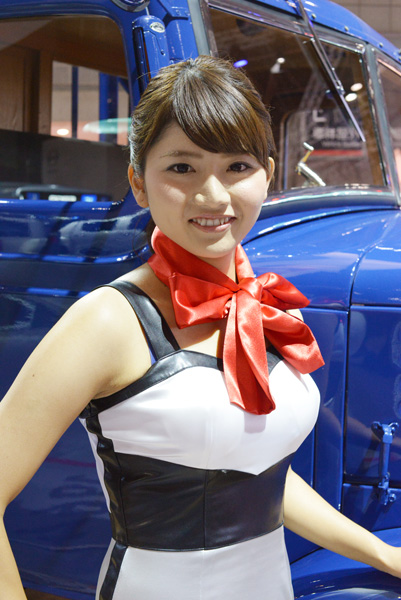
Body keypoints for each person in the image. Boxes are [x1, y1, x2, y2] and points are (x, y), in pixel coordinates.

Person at [0, 55, 400, 600]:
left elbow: (256, 474)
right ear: (139, 183)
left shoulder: (269, 306)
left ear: (267, 176)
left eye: (237, 166)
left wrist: (381, 553)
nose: (214, 196)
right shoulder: (109, 320)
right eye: (182, 168)